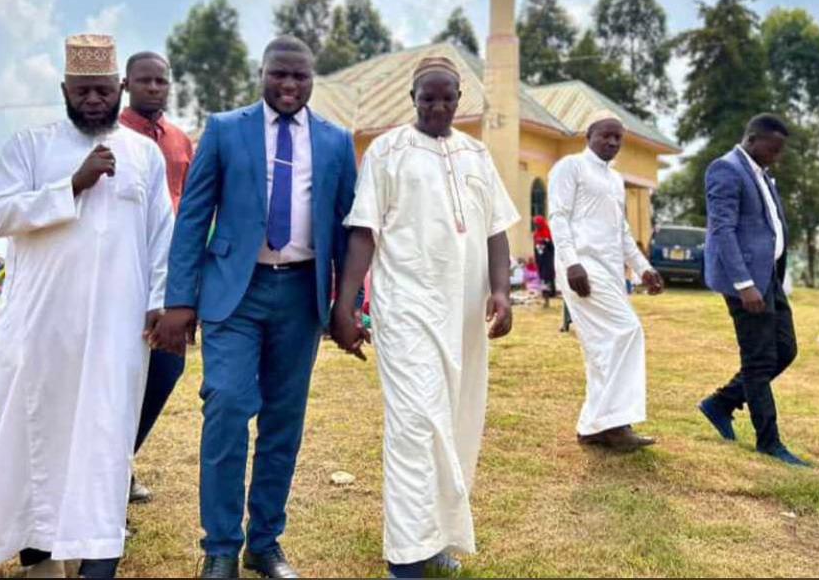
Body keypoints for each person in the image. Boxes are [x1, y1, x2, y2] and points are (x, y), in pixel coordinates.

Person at [150, 35, 357, 579]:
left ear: (314, 80)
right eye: (279, 75)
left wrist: (346, 304)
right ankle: (220, 546)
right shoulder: (225, 129)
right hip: (233, 294)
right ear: (261, 73)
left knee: (283, 421)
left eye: (300, 77)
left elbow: (343, 229)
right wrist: (179, 300)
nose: (289, 85)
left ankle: (264, 544)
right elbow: (193, 216)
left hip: (301, 297)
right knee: (227, 405)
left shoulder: (337, 142)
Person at [0, 34, 174, 579]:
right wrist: (72, 185)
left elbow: (161, 235)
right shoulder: (29, 145)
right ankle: (38, 555)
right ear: (64, 89)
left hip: (117, 327)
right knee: (38, 433)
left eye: (103, 90)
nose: (92, 100)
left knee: (103, 434)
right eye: (82, 90)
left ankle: (92, 552)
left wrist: (158, 301)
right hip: (42, 325)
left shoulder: (145, 155)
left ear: (121, 89)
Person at [330, 55, 519, 579]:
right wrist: (346, 305)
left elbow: (496, 231)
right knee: (415, 424)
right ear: (412, 98)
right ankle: (405, 555)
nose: (438, 106)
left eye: (448, 98)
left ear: (461, 101)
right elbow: (363, 231)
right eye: (428, 97)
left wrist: (501, 292)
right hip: (408, 308)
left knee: (456, 423)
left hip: (464, 316)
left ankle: (435, 536)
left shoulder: (477, 154)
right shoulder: (387, 152)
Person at [698, 114, 809, 467]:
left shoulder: (761, 174)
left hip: (769, 278)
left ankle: (722, 402)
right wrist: (744, 285)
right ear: (752, 139)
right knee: (759, 361)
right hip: (746, 283)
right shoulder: (725, 169)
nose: (777, 155)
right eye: (773, 148)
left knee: (785, 350)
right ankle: (769, 441)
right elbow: (723, 230)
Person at [548, 112, 664, 452]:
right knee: (627, 331)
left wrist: (643, 268)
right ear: (589, 136)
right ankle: (615, 423)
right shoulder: (570, 167)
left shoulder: (614, 180)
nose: (613, 143)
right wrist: (571, 263)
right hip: (582, 268)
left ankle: (595, 426)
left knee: (604, 346)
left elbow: (622, 232)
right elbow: (557, 215)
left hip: (610, 271)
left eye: (618, 138)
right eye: (606, 136)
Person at [119, 50, 195, 505]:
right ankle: (106, 472)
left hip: (174, 275)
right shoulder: (111, 135)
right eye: (144, 81)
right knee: (118, 376)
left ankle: (120, 461)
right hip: (124, 271)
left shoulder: (181, 141)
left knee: (167, 368)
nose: (153, 87)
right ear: (126, 85)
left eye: (160, 81)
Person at [532, 215, 557, 310]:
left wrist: (546, 241)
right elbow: (535, 248)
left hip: (547, 261)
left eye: (537, 224)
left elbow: (552, 249)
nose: (536, 226)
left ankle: (547, 300)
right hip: (540, 262)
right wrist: (536, 260)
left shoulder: (548, 234)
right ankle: (545, 300)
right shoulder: (535, 235)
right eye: (535, 224)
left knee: (546, 280)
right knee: (542, 279)